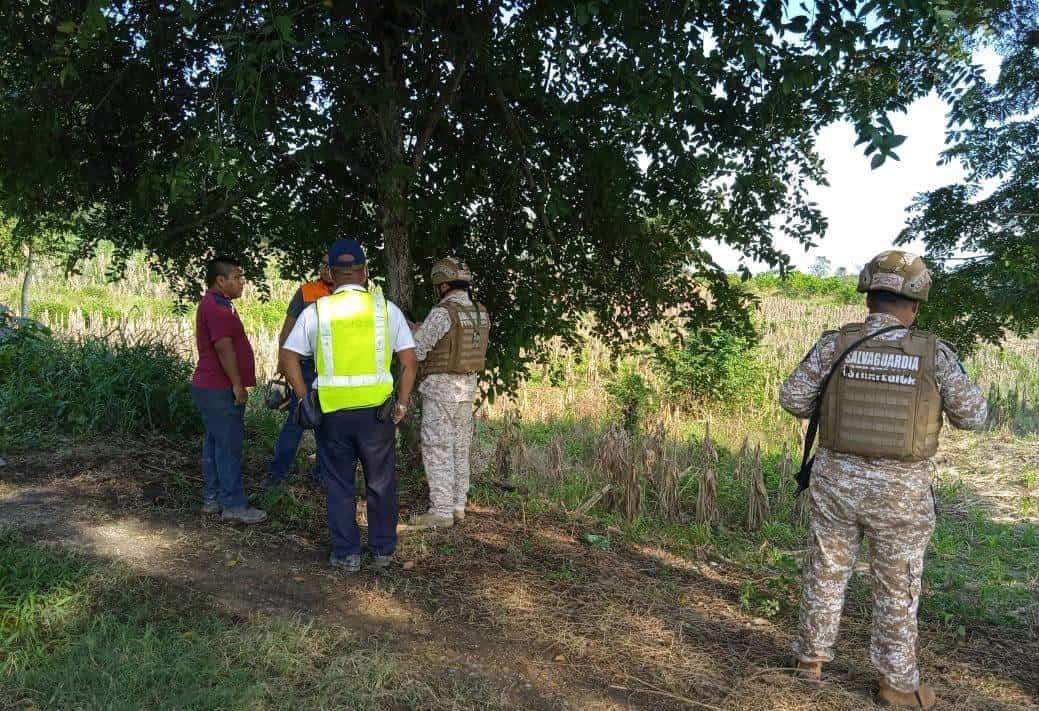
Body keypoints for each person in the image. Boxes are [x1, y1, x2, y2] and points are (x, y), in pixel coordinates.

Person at [779, 250, 987, 709]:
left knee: (826, 568)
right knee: (897, 584)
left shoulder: (836, 344)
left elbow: (793, 398)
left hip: (837, 482)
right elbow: (973, 416)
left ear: (870, 297)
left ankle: (809, 662)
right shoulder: (934, 354)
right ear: (914, 304)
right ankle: (896, 683)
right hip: (902, 492)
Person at [279, 239, 417, 572]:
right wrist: (401, 403)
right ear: (365, 272)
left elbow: (288, 356)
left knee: (339, 484)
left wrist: (302, 398)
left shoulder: (317, 311)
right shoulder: (385, 310)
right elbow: (410, 362)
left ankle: (346, 554)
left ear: (332, 275)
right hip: (377, 415)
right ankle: (383, 551)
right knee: (380, 483)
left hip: (332, 415)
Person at [407, 257, 491, 529]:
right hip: (467, 390)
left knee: (437, 449)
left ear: (442, 284)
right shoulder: (479, 312)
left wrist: (413, 331)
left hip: (441, 391)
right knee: (460, 448)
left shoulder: (443, 312)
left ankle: (440, 512)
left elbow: (418, 350)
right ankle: (457, 507)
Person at [190, 257, 268, 524]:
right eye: (236, 277)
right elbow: (224, 348)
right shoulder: (216, 307)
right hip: (219, 388)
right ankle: (233, 504)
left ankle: (212, 499)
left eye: (241, 276)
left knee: (215, 443)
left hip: (211, 388)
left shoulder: (220, 305)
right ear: (220, 281)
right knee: (228, 446)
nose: (241, 281)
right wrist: (237, 384)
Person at [265, 253, 334, 487]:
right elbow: (288, 329)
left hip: (333, 369)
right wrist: (283, 361)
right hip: (305, 367)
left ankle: (322, 476)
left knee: (327, 424)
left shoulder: (350, 295)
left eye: (330, 264)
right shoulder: (306, 292)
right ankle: (277, 476)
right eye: (322, 264)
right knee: (298, 420)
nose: (325, 268)